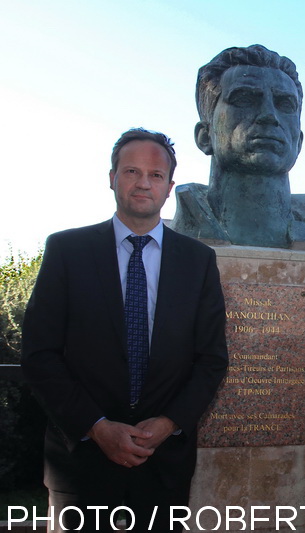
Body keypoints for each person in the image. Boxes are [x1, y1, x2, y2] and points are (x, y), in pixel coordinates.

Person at [22, 128, 229, 532]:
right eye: (132, 170)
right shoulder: (67, 251)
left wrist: (168, 423)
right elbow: (40, 354)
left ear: (169, 187)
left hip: (163, 463)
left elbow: (211, 359)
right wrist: (97, 427)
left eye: (155, 175)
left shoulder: (198, 261)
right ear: (112, 177)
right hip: (81, 462)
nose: (143, 183)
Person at [171, 44, 305, 249]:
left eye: (285, 104)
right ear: (205, 136)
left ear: (299, 141)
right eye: (245, 99)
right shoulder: (184, 235)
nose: (269, 115)